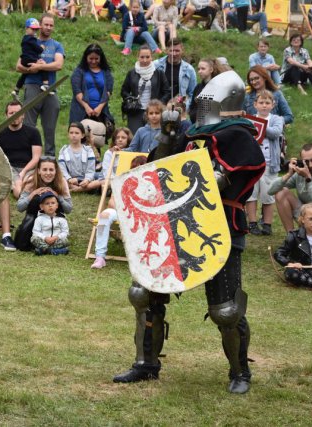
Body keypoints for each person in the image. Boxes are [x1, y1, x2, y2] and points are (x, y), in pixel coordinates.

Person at [112, 70, 265, 394]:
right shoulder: (193, 133)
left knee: (226, 309)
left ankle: (240, 373)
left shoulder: (240, 135)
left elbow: (234, 176)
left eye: (208, 101)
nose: (203, 107)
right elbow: (158, 169)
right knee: (144, 293)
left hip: (219, 225)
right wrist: (168, 135)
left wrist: (208, 177)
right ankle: (146, 363)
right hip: (174, 224)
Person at [0, 100, 42, 251]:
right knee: (16, 189)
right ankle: (18, 191)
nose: (15, 116)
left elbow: (36, 158)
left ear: (23, 115)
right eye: (11, 113)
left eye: (18, 113)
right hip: (8, 168)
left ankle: (21, 193)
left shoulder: (33, 132)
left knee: (21, 187)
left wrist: (23, 172)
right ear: (6, 115)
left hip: (28, 168)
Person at [16, 13, 64, 157]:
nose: (48, 28)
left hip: (50, 88)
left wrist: (41, 67)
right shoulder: (30, 41)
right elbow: (18, 66)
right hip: (32, 85)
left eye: (51, 25)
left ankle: (49, 157)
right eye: (46, 24)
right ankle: (27, 155)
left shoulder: (56, 45)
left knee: (49, 127)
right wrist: (32, 68)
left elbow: (59, 64)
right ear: (39, 25)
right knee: (29, 125)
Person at [91, 153, 146, 270]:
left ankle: (143, 256)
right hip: (121, 212)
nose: (138, 170)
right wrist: (124, 211)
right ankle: (100, 257)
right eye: (136, 167)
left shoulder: (150, 185)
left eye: (142, 167)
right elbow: (111, 202)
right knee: (105, 215)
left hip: (141, 215)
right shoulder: (122, 182)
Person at [245, 90, 284, 236]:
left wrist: (258, 126)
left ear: (273, 105)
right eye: (261, 102)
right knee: (252, 193)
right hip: (252, 163)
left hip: (270, 163)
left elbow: (275, 133)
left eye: (267, 103)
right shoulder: (249, 120)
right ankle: (252, 223)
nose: (264, 106)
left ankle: (267, 224)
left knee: (268, 194)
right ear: (255, 104)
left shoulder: (276, 119)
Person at [14, 156, 72, 251]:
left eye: (51, 170)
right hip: (34, 220)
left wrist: (58, 196)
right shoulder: (31, 181)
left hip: (55, 220)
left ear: (56, 171)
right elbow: (20, 207)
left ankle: (49, 244)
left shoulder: (62, 182)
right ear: (39, 171)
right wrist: (33, 194)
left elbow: (68, 209)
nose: (48, 173)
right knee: (21, 245)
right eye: (44, 170)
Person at [121, 45, 171, 133]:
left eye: (147, 57)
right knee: (135, 136)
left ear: (152, 57)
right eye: (142, 57)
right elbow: (124, 90)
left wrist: (158, 104)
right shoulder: (131, 73)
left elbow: (167, 92)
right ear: (138, 57)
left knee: (153, 137)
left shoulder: (159, 73)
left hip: (153, 111)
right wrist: (131, 100)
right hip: (135, 111)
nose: (145, 60)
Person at [69, 43, 114, 127]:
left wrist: (99, 108)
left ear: (101, 58)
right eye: (91, 58)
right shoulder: (79, 71)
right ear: (86, 57)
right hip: (81, 111)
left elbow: (108, 91)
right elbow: (77, 91)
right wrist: (86, 107)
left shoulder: (106, 72)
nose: (93, 61)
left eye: (96, 58)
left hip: (101, 111)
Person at [58, 122, 103, 193]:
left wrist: (87, 180)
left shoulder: (88, 150)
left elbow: (91, 170)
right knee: (57, 178)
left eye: (76, 133)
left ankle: (78, 189)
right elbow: (62, 169)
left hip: (86, 180)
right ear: (68, 134)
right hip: (70, 181)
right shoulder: (63, 150)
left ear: (82, 135)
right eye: (71, 133)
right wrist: (69, 179)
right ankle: (80, 188)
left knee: (102, 177)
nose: (73, 135)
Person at [153, 37, 197, 110]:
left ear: (182, 50)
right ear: (167, 50)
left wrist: (184, 107)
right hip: (157, 108)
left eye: (177, 51)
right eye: (171, 50)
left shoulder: (189, 70)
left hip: (177, 109)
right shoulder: (155, 65)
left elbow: (193, 94)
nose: (174, 54)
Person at [12, 18, 50, 101]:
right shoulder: (31, 39)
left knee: (24, 74)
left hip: (24, 59)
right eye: (32, 29)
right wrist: (42, 47)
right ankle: (46, 85)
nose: (34, 32)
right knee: (43, 66)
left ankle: (16, 89)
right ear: (26, 28)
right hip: (29, 59)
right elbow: (38, 49)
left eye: (36, 30)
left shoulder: (24, 38)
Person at [188, 58, 224, 123]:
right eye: (198, 69)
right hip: (197, 124)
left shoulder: (219, 87)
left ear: (211, 70)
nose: (199, 71)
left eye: (203, 69)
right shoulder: (198, 87)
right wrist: (194, 116)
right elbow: (192, 107)